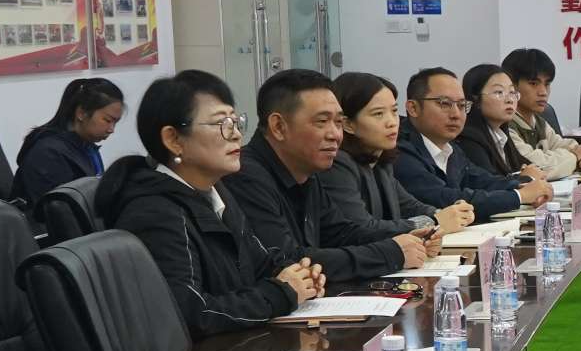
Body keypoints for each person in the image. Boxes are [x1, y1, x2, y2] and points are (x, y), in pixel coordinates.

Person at [99, 71, 323, 337]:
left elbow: (260, 262)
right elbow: (190, 313)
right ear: (173, 140)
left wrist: (299, 275)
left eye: (236, 122)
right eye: (221, 124)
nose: (236, 134)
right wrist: (280, 293)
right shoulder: (156, 212)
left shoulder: (216, 190)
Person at [223, 69, 434, 283]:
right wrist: (390, 253)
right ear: (278, 126)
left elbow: (340, 233)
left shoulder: (306, 170)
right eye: (322, 122)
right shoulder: (245, 176)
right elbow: (285, 260)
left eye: (338, 123)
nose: (335, 135)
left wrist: (408, 239)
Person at [328, 72, 476, 241]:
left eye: (394, 111)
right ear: (348, 124)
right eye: (378, 114)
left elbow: (409, 206)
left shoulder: (380, 161)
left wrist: (447, 214)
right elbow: (362, 228)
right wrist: (435, 220)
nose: (392, 122)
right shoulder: (338, 164)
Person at [396, 67, 540, 217]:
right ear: (413, 108)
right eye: (445, 104)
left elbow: (482, 181)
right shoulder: (401, 150)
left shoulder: (451, 148)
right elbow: (447, 199)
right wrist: (519, 196)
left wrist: (526, 183)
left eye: (461, 105)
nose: (456, 114)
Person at [11, 77, 125, 203]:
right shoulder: (48, 153)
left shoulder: (86, 146)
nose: (111, 129)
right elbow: (56, 209)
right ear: (81, 113)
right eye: (107, 120)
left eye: (115, 122)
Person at [499, 47, 581, 179]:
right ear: (511, 86)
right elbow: (537, 167)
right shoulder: (503, 125)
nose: (543, 92)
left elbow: (569, 146)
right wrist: (575, 157)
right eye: (533, 83)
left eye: (547, 84)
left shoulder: (539, 122)